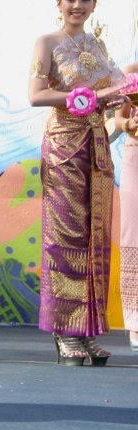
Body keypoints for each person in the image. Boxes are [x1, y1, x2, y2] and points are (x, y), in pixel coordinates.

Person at [29, 0, 125, 365]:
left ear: (94, 3)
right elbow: (35, 95)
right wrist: (79, 97)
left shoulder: (99, 46)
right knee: (65, 237)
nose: (77, 6)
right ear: (58, 1)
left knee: (93, 237)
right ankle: (64, 330)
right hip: (65, 144)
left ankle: (87, 331)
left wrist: (121, 97)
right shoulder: (47, 42)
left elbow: (119, 86)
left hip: (98, 146)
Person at [115, 61, 138, 352]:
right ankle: (136, 321)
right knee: (134, 236)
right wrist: (128, 124)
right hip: (136, 158)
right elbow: (118, 119)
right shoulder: (133, 72)